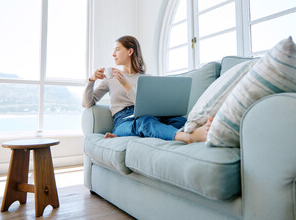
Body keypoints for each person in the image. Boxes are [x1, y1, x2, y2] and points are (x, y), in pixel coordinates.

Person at [82, 35, 212, 144]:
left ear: (130, 51)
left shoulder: (146, 78)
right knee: (144, 122)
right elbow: (87, 103)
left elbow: (145, 106)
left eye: (117, 49)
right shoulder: (110, 79)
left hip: (148, 116)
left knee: (179, 120)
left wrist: (126, 84)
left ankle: (207, 130)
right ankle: (188, 137)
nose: (113, 54)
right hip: (123, 121)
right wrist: (91, 80)